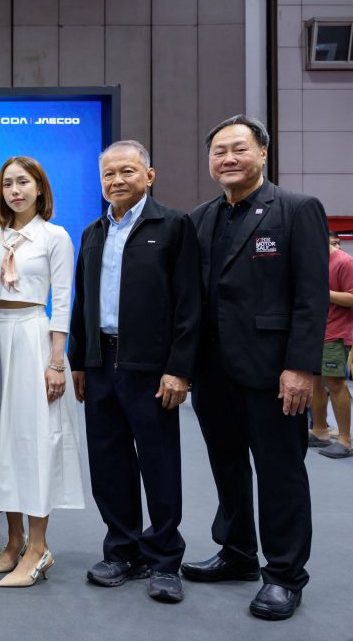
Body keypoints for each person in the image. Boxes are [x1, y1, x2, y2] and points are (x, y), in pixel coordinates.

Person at [183, 115, 329, 621]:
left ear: (263, 153)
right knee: (227, 468)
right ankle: (238, 552)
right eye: (219, 151)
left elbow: (311, 297)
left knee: (279, 473)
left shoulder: (296, 209)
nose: (228, 158)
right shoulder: (200, 217)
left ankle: (285, 574)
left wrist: (300, 368)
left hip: (273, 374)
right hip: (213, 372)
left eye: (239, 149)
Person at [68, 140, 201, 605]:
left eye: (127, 171)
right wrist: (80, 361)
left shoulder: (173, 226)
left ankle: (164, 559)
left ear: (149, 175)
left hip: (150, 368)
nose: (117, 180)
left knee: (159, 464)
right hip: (101, 364)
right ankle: (122, 550)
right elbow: (83, 302)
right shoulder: (93, 232)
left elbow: (189, 303)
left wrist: (178, 369)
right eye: (109, 173)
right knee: (108, 463)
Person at [0, 156, 85, 588]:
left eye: (23, 182)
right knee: (2, 441)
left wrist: (56, 361)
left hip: (34, 338)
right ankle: (14, 539)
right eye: (7, 184)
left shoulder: (55, 237)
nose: (15, 191)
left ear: (40, 187)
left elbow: (64, 299)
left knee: (36, 442)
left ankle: (39, 548)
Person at [309, 230, 353, 459]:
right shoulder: (315, 261)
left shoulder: (345, 262)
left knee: (335, 384)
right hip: (314, 332)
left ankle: (345, 440)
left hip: (335, 333)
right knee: (315, 382)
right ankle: (319, 430)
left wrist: (323, 293)